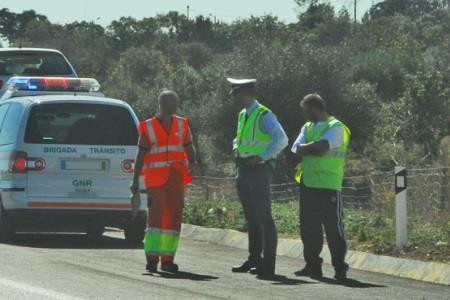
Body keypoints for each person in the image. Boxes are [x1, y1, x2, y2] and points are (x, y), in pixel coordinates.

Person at [228, 78, 289, 278]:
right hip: (244, 169)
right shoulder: (243, 115)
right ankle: (254, 259)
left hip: (259, 169)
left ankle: (268, 264)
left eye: (236, 93)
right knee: (251, 217)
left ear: (246, 92)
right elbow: (240, 137)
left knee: (264, 217)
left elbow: (281, 139)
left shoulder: (264, 114)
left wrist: (262, 156)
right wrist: (236, 147)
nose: (234, 97)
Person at [131, 90, 196, 273]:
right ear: (160, 104)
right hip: (156, 182)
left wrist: (193, 162)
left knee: (173, 221)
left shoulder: (182, 124)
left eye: (174, 102)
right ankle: (152, 260)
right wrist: (135, 180)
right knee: (155, 221)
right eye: (168, 102)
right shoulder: (149, 127)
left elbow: (189, 147)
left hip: (176, 179)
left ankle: (168, 260)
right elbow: (141, 154)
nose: (172, 105)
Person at [291, 93, 351, 281]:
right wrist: (311, 147)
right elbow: (295, 148)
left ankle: (340, 268)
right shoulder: (308, 127)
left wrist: (308, 148)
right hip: (308, 184)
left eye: (307, 111)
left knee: (333, 229)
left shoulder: (337, 127)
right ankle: (312, 266)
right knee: (309, 229)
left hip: (329, 185)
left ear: (316, 109)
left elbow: (322, 147)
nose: (305, 115)